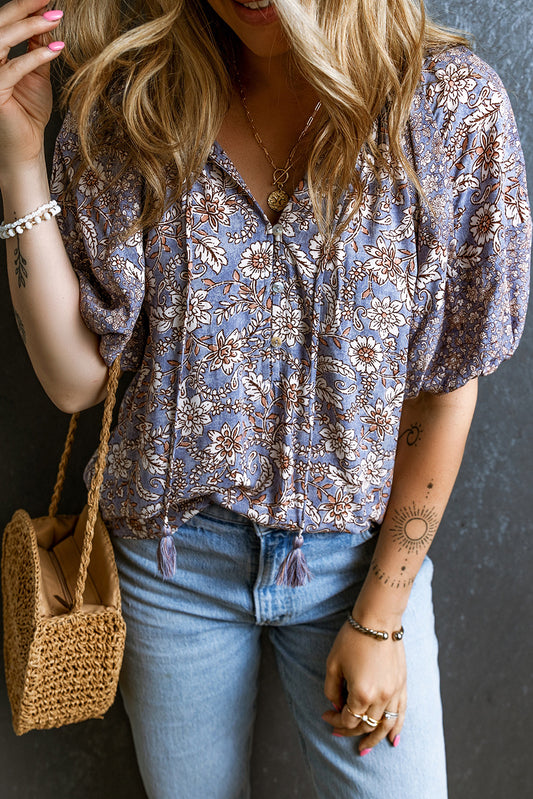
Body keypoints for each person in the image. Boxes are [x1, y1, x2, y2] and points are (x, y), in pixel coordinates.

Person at [0, 0, 530, 797]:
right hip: (168, 564)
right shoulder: (134, 98)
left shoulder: (450, 110)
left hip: (357, 563)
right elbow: (76, 380)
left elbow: (445, 391)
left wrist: (379, 616)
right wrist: (16, 159)